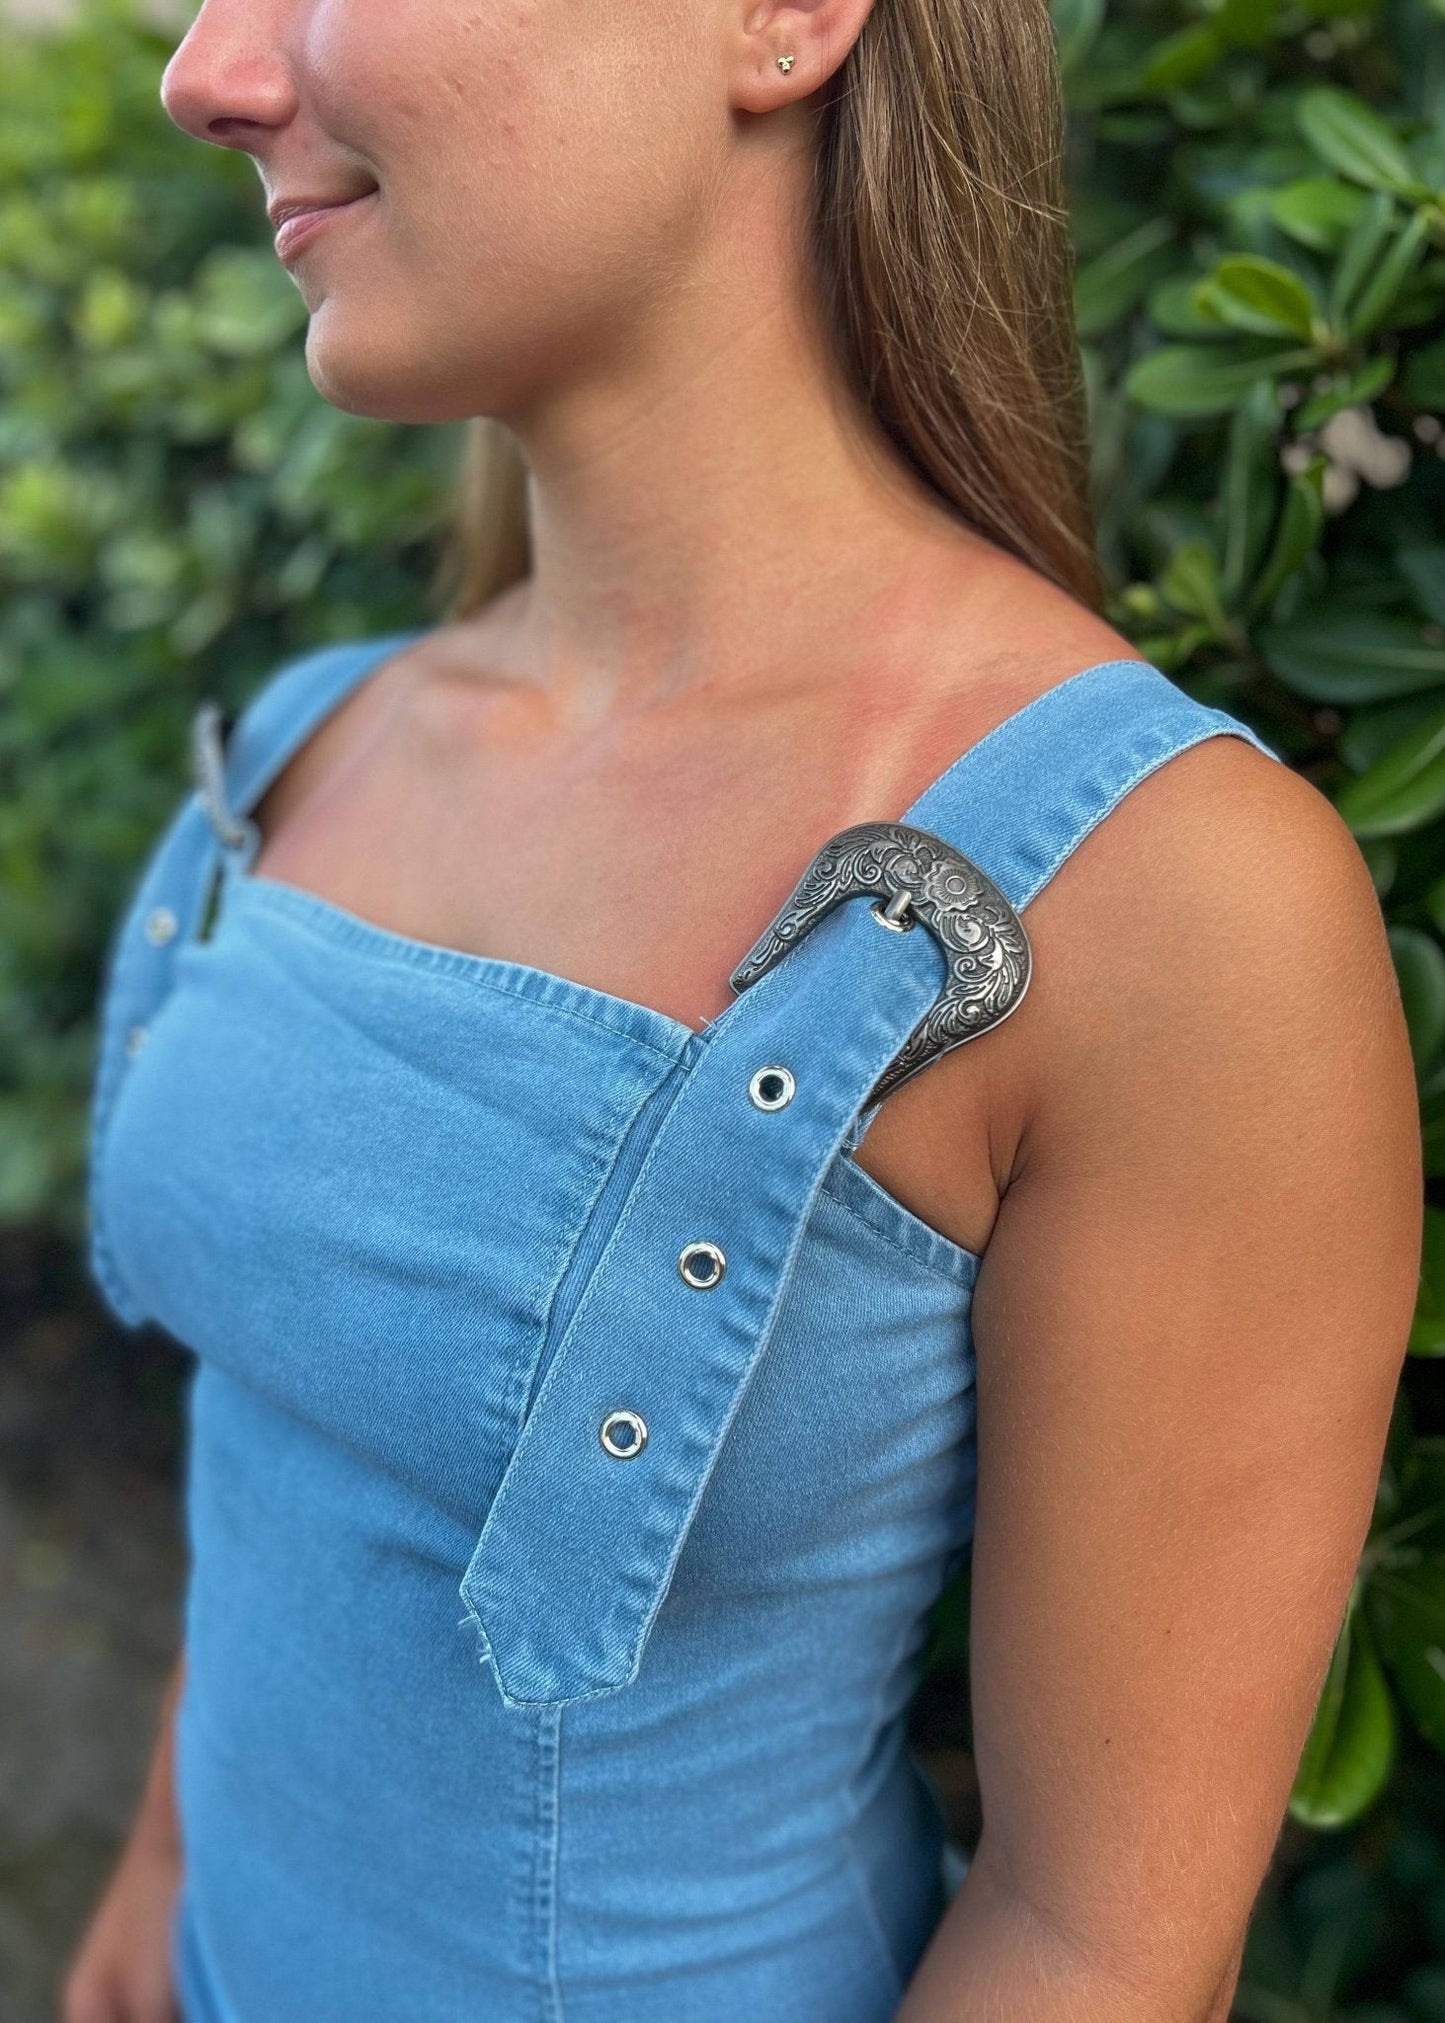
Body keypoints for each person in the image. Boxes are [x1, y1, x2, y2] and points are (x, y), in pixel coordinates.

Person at [64, 0, 1421, 2019]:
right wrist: (164, 1874)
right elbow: (294, 1442)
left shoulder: (1168, 906)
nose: (206, 74)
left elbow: (1100, 1946)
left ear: (783, 20)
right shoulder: (314, 745)